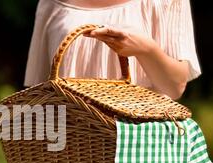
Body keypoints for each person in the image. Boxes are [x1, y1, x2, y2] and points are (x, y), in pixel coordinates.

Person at [24, 0, 201, 100]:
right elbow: (38, 91)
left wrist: (146, 49)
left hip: (138, 146)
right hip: (72, 153)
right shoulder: (51, 3)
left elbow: (175, 87)